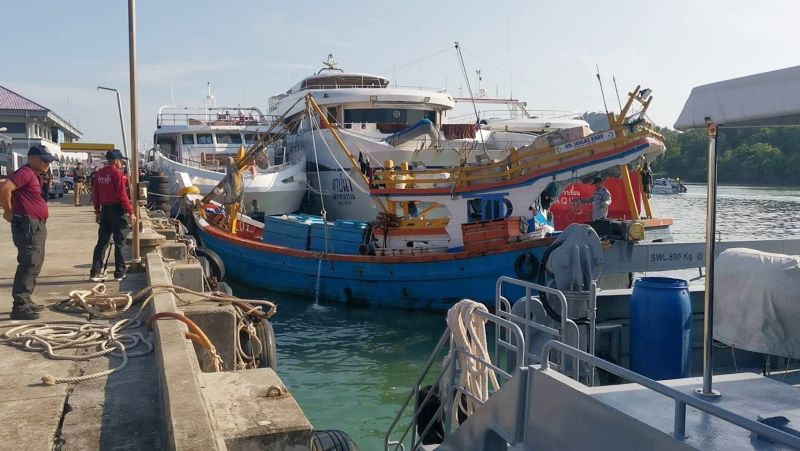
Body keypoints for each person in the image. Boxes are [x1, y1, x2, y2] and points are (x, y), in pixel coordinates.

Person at [0, 146, 56, 320]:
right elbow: (5, 189)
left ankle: (26, 299)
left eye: (49, 160)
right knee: (29, 262)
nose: (47, 164)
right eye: (44, 160)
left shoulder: (35, 175)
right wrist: (8, 210)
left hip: (36, 224)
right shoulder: (25, 173)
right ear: (31, 158)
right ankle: (20, 305)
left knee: (35, 262)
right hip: (28, 224)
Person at [90, 150, 136, 282]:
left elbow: (95, 194)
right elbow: (123, 195)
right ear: (116, 161)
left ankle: (95, 271)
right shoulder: (117, 174)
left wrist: (97, 211)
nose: (122, 164)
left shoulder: (99, 174)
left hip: (104, 210)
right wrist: (131, 212)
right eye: (121, 161)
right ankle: (119, 273)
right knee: (120, 242)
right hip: (117, 210)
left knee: (102, 242)